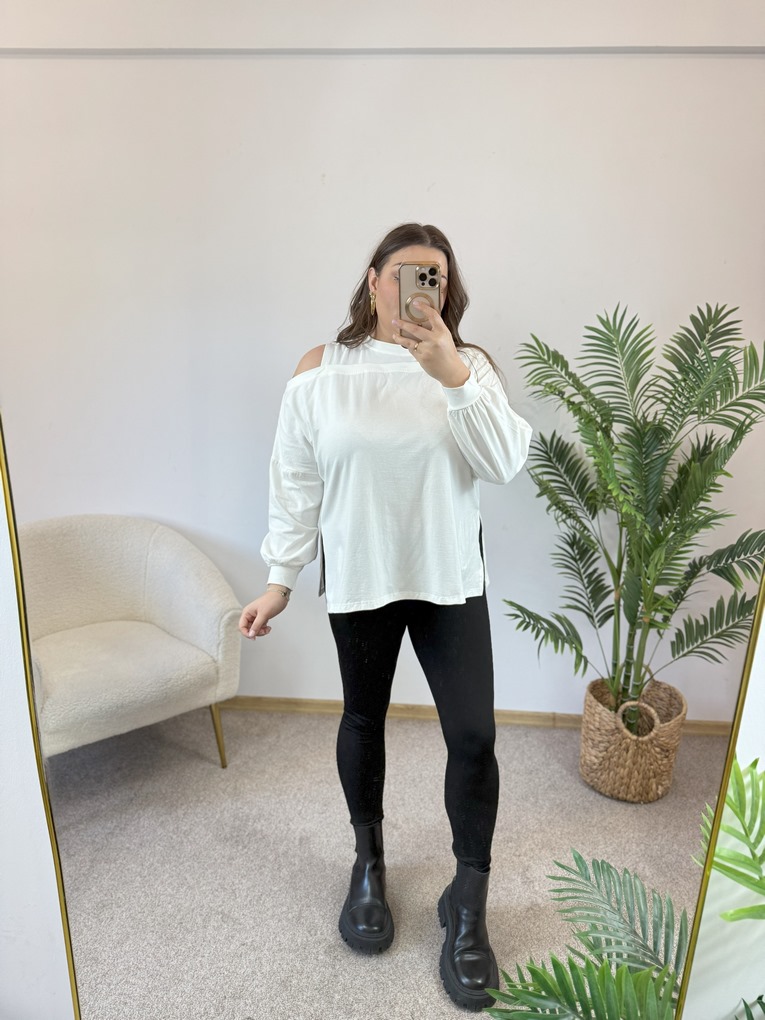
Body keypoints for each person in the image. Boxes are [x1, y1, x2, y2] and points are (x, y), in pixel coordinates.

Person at [239, 223, 532, 1011]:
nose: (421, 288)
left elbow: (505, 463)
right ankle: (367, 866)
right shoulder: (320, 369)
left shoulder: (468, 367)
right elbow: (295, 480)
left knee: (473, 737)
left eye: (435, 276)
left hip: (448, 580)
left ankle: (465, 905)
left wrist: (451, 374)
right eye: (407, 273)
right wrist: (279, 579)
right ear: (373, 281)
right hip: (361, 576)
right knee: (362, 719)